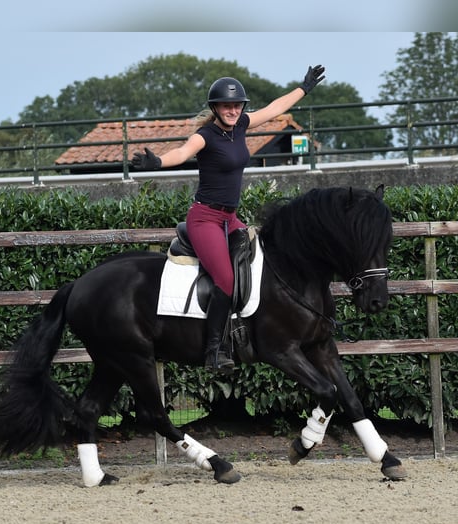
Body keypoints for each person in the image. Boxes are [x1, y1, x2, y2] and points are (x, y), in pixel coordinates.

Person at [131, 65, 326, 371]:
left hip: (230, 219)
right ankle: (214, 350)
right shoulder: (204, 136)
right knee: (225, 279)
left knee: (258, 263)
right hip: (205, 220)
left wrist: (303, 87)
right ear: (216, 108)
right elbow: (182, 153)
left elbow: (275, 108)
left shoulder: (243, 124)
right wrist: (157, 161)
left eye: (237, 105)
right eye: (227, 106)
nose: (233, 110)